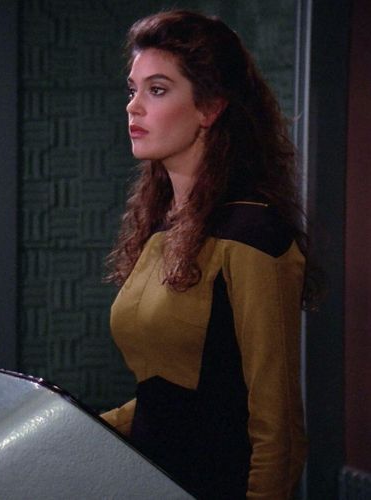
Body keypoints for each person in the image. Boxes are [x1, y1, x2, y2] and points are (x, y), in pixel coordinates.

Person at [101, 10, 309, 499]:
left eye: (157, 90)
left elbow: (278, 428)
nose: (133, 107)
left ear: (210, 107)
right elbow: (167, 400)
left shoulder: (252, 234)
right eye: (132, 90)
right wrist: (66, 426)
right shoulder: (164, 228)